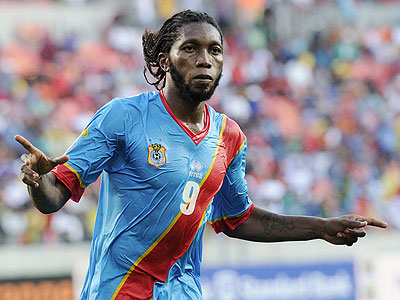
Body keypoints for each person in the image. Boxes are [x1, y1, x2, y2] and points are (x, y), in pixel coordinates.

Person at [15, 10, 387, 300]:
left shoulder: (229, 137)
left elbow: (239, 220)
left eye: (214, 50)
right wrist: (37, 182)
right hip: (119, 290)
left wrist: (322, 229)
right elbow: (53, 198)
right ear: (163, 61)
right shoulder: (123, 117)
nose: (204, 60)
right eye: (190, 49)